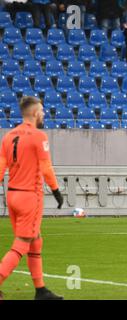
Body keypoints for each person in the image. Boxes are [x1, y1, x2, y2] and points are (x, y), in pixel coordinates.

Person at [0, 96, 64, 300]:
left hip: (12, 196)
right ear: (35, 113)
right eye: (42, 111)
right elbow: (46, 166)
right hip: (30, 197)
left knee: (35, 241)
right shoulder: (38, 136)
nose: (44, 114)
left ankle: (41, 290)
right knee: (22, 244)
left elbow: (1, 166)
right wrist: (56, 190)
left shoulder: (9, 136)